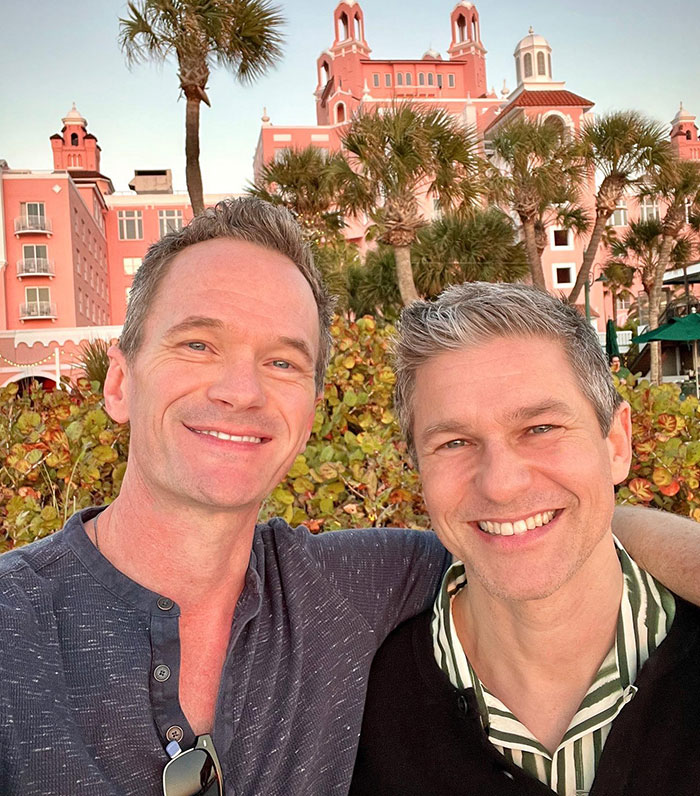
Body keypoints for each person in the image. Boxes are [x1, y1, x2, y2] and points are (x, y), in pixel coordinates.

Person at [0, 203, 697, 796]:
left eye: (282, 361)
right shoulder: (13, 629)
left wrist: (612, 520)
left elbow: (518, 539)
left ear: (309, 405)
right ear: (118, 383)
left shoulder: (351, 589)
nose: (241, 390)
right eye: (198, 343)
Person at [351, 282, 700, 796]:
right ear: (418, 470)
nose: (501, 482)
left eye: (540, 428)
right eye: (454, 442)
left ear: (616, 443)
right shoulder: (354, 701)